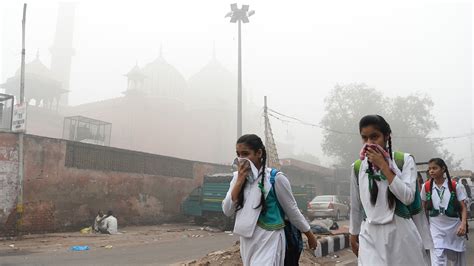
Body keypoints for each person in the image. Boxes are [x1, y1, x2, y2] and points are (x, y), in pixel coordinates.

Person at [222, 134, 317, 265]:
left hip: (270, 238)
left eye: (245, 154)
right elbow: (227, 210)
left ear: (259, 153)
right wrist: (239, 181)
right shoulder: (237, 178)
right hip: (247, 240)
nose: (241, 159)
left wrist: (309, 234)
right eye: (238, 154)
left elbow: (292, 210)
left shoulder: (275, 178)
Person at [350, 115, 428, 265]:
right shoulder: (357, 167)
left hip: (400, 235)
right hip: (369, 235)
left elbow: (408, 197)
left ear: (386, 136)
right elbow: (356, 205)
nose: (369, 143)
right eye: (364, 138)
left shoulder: (404, 160)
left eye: (374, 137)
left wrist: (385, 167)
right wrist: (353, 233)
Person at [421, 158, 467, 266]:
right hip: (435, 228)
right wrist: (423, 226)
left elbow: (463, 208)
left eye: (434, 168)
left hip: (454, 228)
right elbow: (422, 208)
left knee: (456, 258)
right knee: (438, 257)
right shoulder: (426, 186)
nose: (431, 171)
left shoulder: (455, 186)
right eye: (430, 169)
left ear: (443, 169)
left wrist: (463, 224)